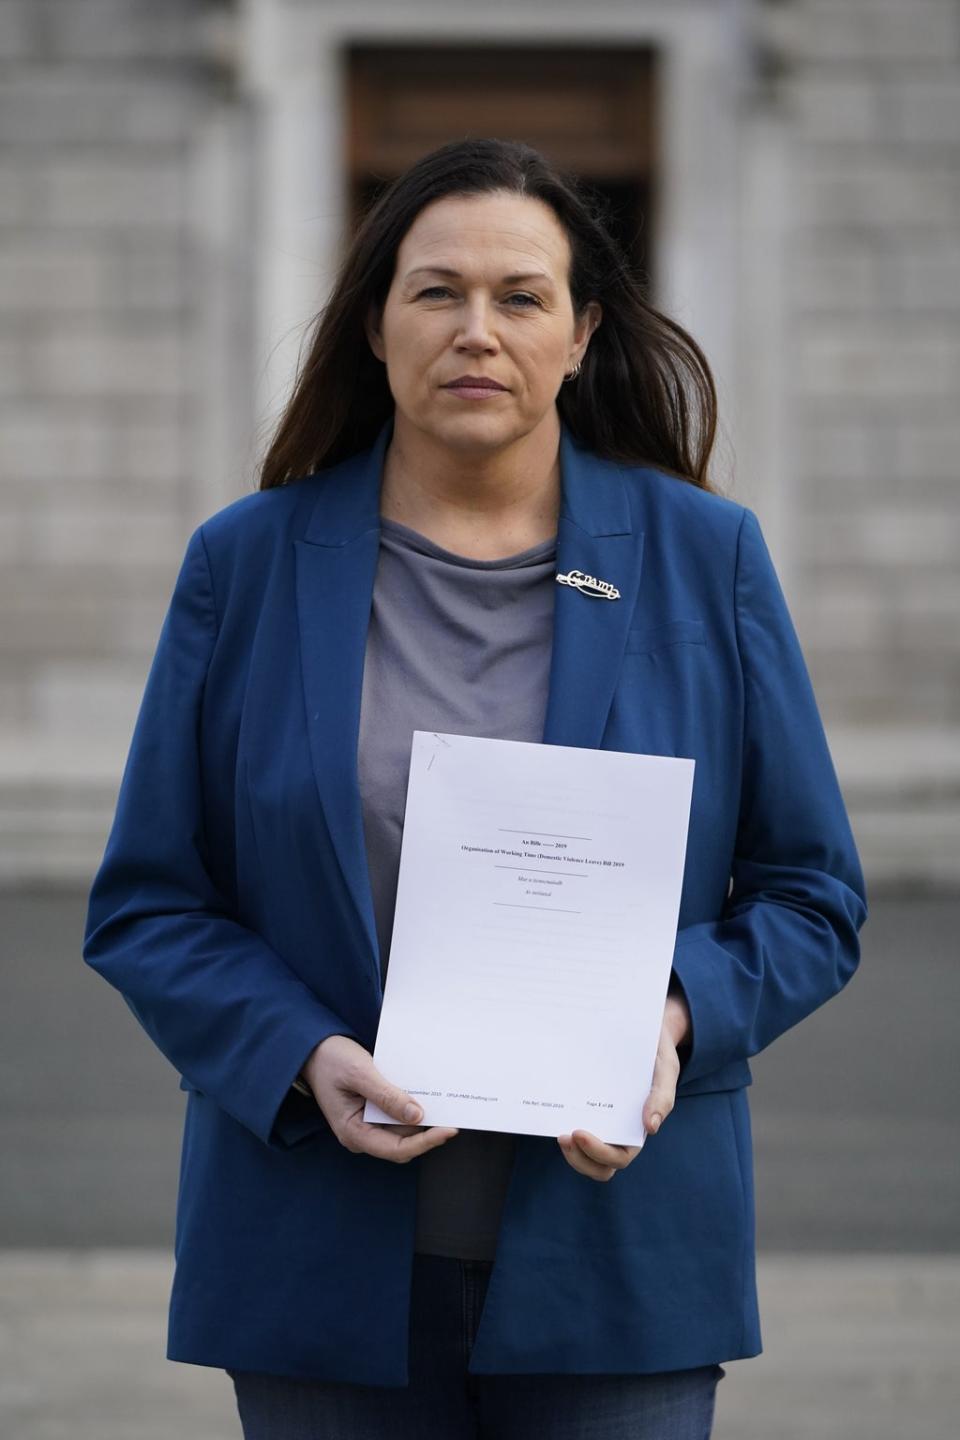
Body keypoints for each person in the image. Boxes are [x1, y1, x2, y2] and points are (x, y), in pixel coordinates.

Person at [82, 137, 868, 1440]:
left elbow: (810, 896)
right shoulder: (248, 563)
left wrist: (666, 1023)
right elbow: (150, 904)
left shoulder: (705, 557)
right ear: (375, 330)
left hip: (622, 1257)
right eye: (435, 292)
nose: (476, 331)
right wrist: (299, 1057)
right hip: (314, 1253)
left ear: (581, 335)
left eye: (521, 297)